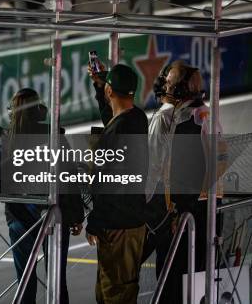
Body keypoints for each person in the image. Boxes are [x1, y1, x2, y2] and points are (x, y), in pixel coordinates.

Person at [0, 88, 84, 304]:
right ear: (40, 111)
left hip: (19, 218)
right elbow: (70, 178)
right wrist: (76, 216)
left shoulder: (7, 142)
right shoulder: (54, 138)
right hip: (53, 216)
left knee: (24, 281)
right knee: (57, 281)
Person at [143, 61, 223, 303]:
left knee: (172, 282)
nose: (164, 85)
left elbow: (159, 168)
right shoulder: (207, 114)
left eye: (169, 82)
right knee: (200, 278)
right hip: (211, 210)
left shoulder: (176, 120)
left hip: (183, 213)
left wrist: (149, 207)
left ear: (178, 89)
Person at [87, 62, 149, 304]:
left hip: (117, 226)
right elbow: (112, 120)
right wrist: (101, 86)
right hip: (130, 221)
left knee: (116, 293)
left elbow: (107, 186)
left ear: (110, 91)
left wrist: (94, 222)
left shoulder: (119, 130)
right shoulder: (136, 118)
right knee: (114, 289)